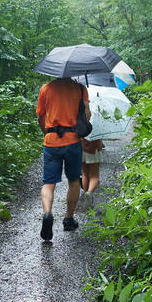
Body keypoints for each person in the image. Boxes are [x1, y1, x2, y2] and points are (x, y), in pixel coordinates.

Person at [36, 77, 91, 240]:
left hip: (51, 141)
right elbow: (87, 115)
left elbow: (40, 117)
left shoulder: (45, 88)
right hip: (73, 140)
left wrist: (47, 133)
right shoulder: (80, 88)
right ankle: (68, 219)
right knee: (73, 181)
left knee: (48, 183)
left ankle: (47, 213)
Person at [80, 136, 104, 207]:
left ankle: (86, 195)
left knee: (85, 174)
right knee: (94, 176)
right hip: (94, 148)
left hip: (80, 147)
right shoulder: (96, 128)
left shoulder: (78, 128)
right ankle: (89, 192)